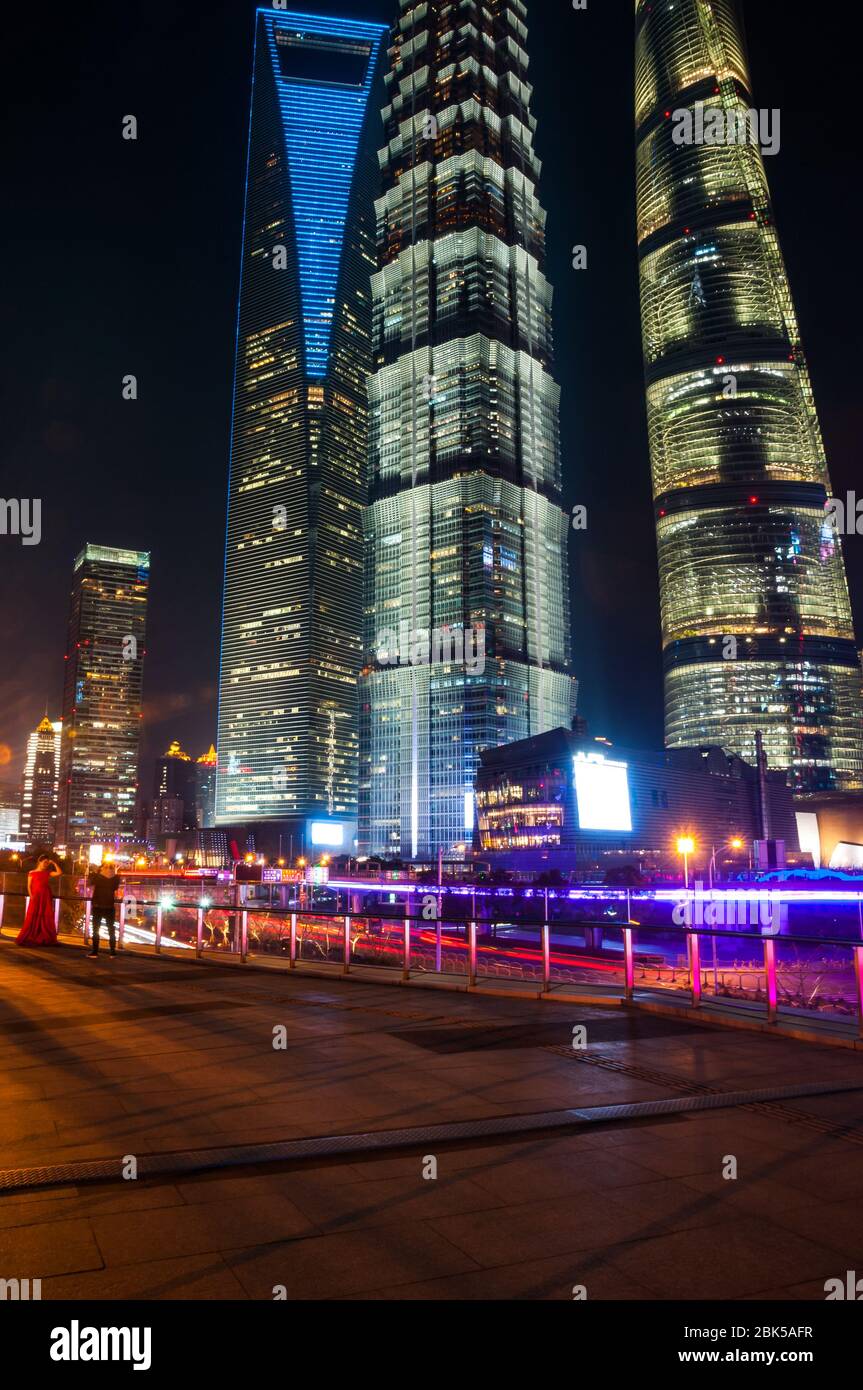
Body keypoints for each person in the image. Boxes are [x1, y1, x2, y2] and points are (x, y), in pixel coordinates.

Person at [16, 856, 62, 947]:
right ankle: (32, 934)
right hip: (36, 896)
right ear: (39, 862)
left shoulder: (47, 872)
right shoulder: (32, 873)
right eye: (44, 862)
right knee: (33, 914)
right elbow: (29, 886)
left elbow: (60, 873)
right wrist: (31, 895)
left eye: (47, 863)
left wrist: (54, 863)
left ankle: (44, 935)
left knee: (45, 914)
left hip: (46, 896)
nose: (45, 864)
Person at [87, 860, 122, 958]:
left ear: (101, 868)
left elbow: (90, 882)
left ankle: (95, 952)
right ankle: (112, 952)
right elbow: (115, 887)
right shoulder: (116, 878)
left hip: (98, 906)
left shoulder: (98, 876)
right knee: (111, 929)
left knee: (95, 930)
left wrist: (98, 871)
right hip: (109, 906)